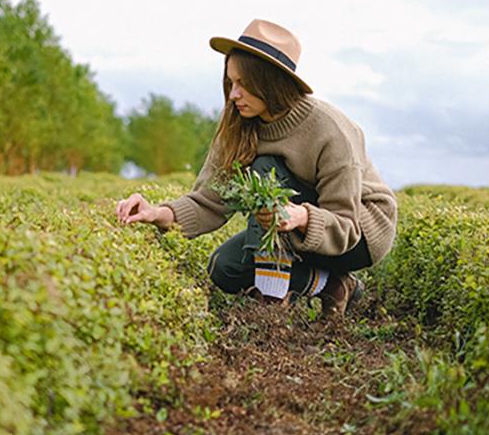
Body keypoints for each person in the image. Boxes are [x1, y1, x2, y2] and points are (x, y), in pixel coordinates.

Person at [116, 19, 397, 318]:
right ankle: (334, 286)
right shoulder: (237, 125)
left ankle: (271, 304)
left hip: (358, 234)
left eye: (244, 85)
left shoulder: (330, 130)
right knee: (224, 267)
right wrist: (156, 212)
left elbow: (346, 226)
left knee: (265, 168)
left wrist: (301, 216)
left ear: (271, 83)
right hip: (298, 227)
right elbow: (210, 200)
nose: (234, 95)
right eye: (230, 83)